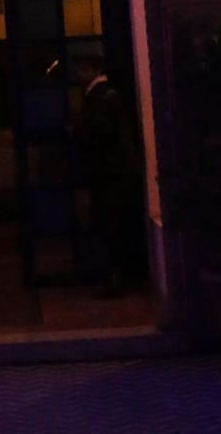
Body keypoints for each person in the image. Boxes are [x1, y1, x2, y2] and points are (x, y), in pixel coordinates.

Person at [72, 53, 145, 294]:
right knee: (113, 223)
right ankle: (116, 276)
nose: (79, 74)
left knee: (110, 224)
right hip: (115, 170)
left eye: (83, 69)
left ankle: (116, 278)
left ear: (95, 69)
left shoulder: (100, 97)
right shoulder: (108, 95)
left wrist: (78, 132)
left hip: (109, 171)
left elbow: (99, 133)